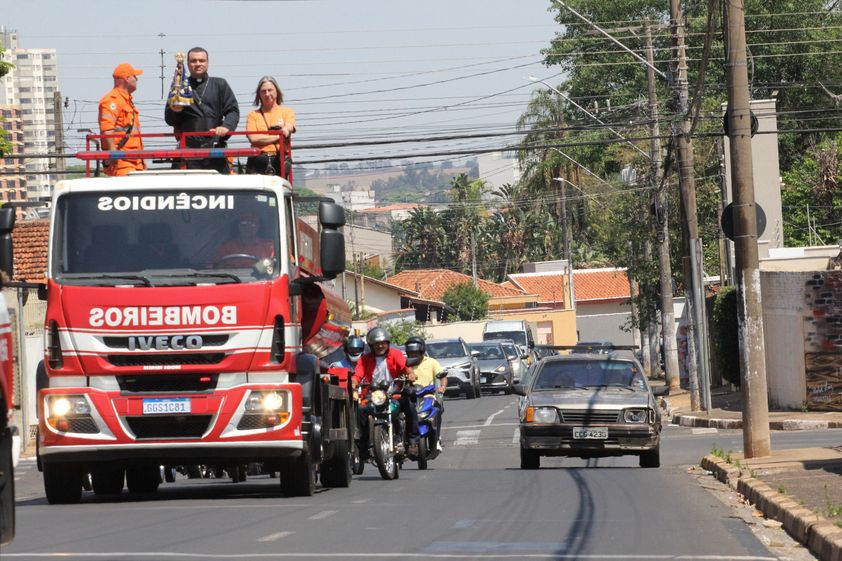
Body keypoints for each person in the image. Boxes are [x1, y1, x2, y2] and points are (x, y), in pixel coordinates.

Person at [164, 47, 239, 174]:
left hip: (215, 146)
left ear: (207, 63)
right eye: (193, 61)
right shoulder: (180, 85)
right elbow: (169, 119)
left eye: (201, 60)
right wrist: (175, 110)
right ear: (187, 64)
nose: (198, 64)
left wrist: (226, 126)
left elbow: (233, 110)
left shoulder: (220, 84)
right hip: (187, 147)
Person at [351, 327, 418, 460]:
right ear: (371, 345)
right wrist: (353, 382)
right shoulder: (365, 359)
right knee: (360, 410)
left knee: (410, 406)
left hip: (396, 394)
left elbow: (405, 367)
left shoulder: (395, 354)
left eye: (383, 343)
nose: (380, 346)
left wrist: (410, 374)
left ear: (387, 343)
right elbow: (358, 374)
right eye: (377, 344)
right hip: (375, 396)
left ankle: (413, 442)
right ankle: (364, 446)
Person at [98, 63, 146, 176]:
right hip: (122, 162)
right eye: (135, 76)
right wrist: (112, 152)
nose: (137, 79)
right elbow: (107, 127)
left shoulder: (126, 101)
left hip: (135, 161)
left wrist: (143, 161)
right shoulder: (112, 100)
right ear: (126, 78)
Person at [246, 76, 295, 176]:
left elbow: (289, 127)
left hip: (279, 161)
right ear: (259, 95)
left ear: (277, 92)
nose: (267, 94)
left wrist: (286, 129)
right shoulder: (253, 115)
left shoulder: (287, 112)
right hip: (257, 161)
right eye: (263, 91)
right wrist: (278, 136)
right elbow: (253, 139)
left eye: (270, 90)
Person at [405, 335, 446, 451]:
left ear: (422, 351)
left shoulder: (432, 362)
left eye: (416, 353)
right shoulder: (405, 364)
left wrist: (442, 387)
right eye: (411, 353)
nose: (413, 356)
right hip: (411, 396)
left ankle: (437, 438)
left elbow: (442, 376)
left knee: (437, 410)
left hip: (428, 395)